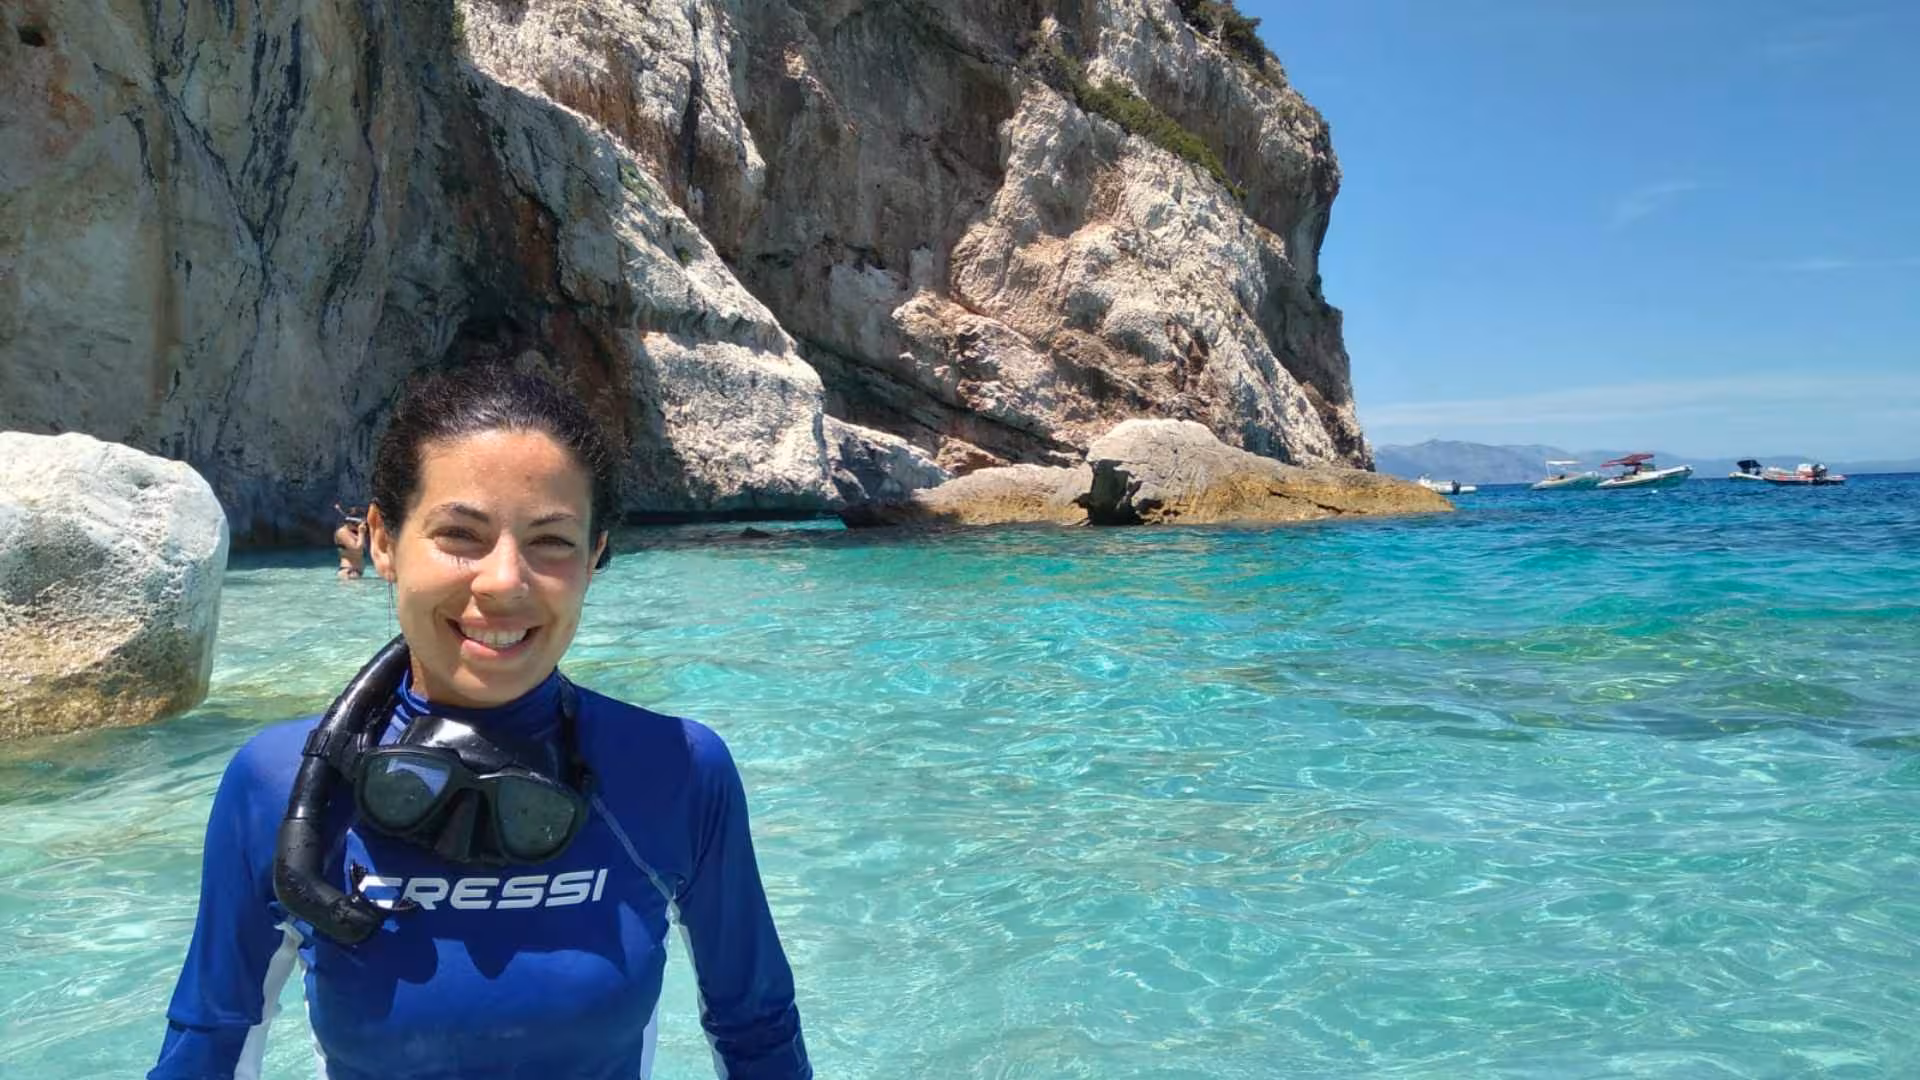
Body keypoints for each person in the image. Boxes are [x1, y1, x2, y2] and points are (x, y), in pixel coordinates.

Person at [150, 367, 811, 1079]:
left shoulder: (676, 768)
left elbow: (756, 1030)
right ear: (382, 541)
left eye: (552, 541)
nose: (503, 582)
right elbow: (212, 1039)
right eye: (460, 534)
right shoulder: (278, 782)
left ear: (594, 557)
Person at [333, 503, 367, 580]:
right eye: (357, 524)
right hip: (348, 572)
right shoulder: (342, 532)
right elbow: (357, 549)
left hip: (355, 573)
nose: (358, 526)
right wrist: (361, 533)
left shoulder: (354, 533)